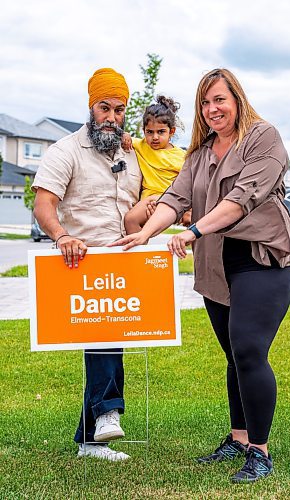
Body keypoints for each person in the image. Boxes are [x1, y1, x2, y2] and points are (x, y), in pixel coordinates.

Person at [110, 68, 290, 482]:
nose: (212, 109)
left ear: (237, 100)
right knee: (234, 355)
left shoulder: (262, 138)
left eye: (220, 100)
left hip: (263, 257)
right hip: (215, 262)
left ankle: (260, 452)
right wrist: (144, 232)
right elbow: (175, 197)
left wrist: (193, 229)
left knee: (249, 348)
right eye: (205, 102)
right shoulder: (199, 154)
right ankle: (238, 438)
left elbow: (243, 197)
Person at [32, 67, 142, 462]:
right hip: (83, 265)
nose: (111, 117)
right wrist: (62, 236)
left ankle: (89, 440)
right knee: (104, 339)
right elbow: (43, 204)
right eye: (104, 108)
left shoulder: (133, 153)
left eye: (119, 109)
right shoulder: (64, 151)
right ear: (90, 107)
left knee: (111, 342)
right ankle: (108, 412)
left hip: (128, 266)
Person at [123, 95, 187, 234]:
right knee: (142, 230)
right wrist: (125, 135)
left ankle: (137, 255)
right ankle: (142, 252)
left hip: (167, 197)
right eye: (150, 132)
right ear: (144, 131)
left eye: (161, 132)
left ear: (172, 131)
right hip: (147, 201)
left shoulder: (181, 156)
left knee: (130, 220)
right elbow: (123, 137)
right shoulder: (141, 146)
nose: (155, 137)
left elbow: (190, 183)